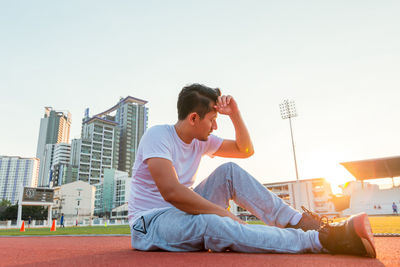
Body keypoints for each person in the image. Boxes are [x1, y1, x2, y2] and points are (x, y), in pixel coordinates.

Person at [128, 83, 376, 258]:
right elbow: (172, 192)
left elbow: (244, 150)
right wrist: (221, 213)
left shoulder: (201, 141)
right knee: (212, 222)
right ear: (193, 118)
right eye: (212, 119)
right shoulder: (158, 136)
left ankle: (301, 223)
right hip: (150, 222)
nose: (215, 126)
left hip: (182, 213)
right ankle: (322, 241)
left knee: (229, 171)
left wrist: (235, 114)